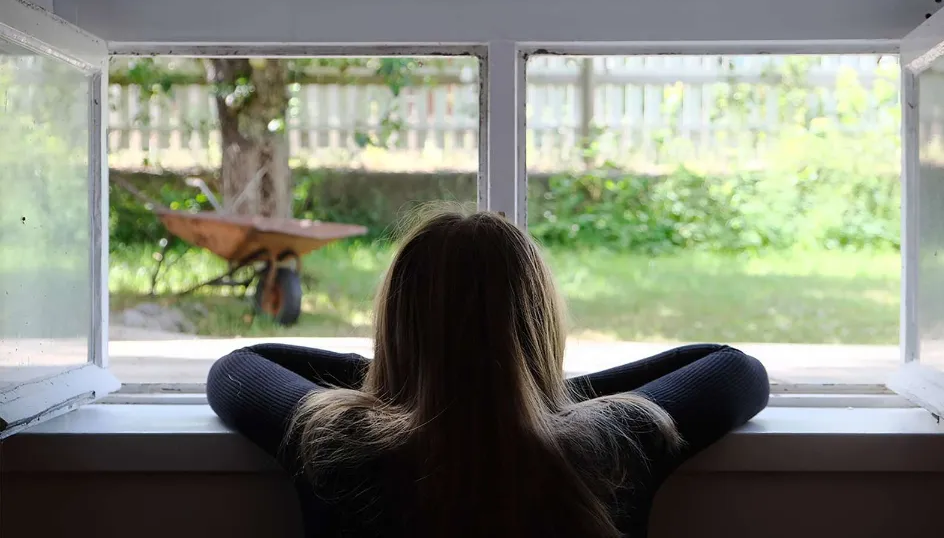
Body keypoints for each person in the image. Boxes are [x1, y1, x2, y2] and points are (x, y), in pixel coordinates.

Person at [207, 208, 770, 538]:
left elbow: (240, 368)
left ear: (397, 327)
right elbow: (731, 366)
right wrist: (536, 386)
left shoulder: (340, 446)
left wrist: (422, 364)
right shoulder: (608, 444)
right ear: (538, 325)